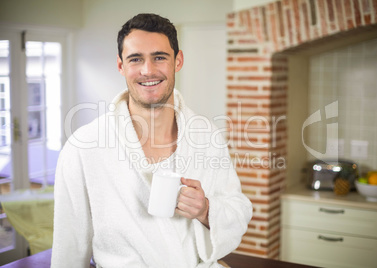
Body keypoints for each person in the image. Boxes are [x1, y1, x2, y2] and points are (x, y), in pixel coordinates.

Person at [51, 13, 252, 268]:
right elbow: (69, 247)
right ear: (121, 65)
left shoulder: (206, 135)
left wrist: (205, 210)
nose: (148, 70)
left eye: (159, 57)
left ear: (177, 61)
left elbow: (238, 209)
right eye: (136, 59)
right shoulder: (84, 146)